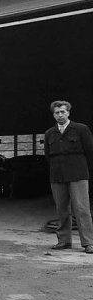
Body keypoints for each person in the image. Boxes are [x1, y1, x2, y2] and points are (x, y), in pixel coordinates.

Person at [44, 100, 93, 253]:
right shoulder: (49, 133)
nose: (60, 115)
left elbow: (90, 152)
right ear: (53, 115)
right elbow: (47, 155)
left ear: (68, 113)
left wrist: (84, 170)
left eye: (63, 112)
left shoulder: (81, 129)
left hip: (78, 173)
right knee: (61, 209)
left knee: (82, 208)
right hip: (57, 175)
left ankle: (88, 243)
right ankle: (64, 241)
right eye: (57, 112)